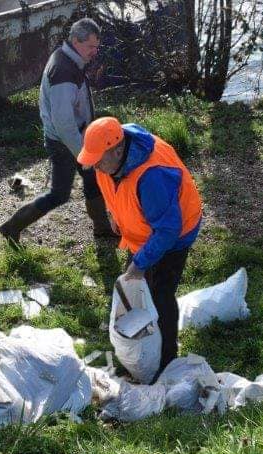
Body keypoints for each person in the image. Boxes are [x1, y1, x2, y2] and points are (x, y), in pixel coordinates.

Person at [77, 117, 203, 377]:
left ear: (118, 150)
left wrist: (139, 263)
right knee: (136, 287)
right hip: (147, 231)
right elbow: (113, 188)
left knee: (160, 294)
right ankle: (141, 349)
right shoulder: (110, 163)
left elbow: (168, 230)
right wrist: (115, 214)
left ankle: (166, 361)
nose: (94, 166)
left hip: (174, 236)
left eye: (99, 159)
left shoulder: (152, 176)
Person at [0, 17, 113, 244]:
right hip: (65, 142)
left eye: (97, 47)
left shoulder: (70, 58)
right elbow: (63, 124)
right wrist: (84, 154)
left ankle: (102, 229)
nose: (95, 52)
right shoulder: (63, 71)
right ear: (75, 41)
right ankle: (12, 226)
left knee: (93, 181)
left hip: (74, 138)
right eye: (91, 46)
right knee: (59, 194)